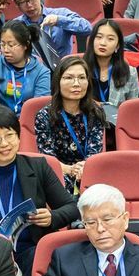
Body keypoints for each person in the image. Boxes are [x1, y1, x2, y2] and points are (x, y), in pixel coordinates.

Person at [0, 106, 78, 276]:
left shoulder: (39, 167)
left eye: (9, 135)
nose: (4, 144)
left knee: (37, 259)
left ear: (19, 137)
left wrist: (52, 217)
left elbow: (72, 208)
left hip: (30, 248)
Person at [35, 57, 107, 188]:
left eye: (81, 78)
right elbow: (48, 157)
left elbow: (95, 150)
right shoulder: (44, 115)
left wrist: (85, 167)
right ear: (58, 82)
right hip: (57, 173)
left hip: (89, 171)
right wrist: (71, 169)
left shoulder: (95, 112)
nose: (76, 83)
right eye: (69, 78)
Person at [10, 0, 93, 69]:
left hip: (63, 70)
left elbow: (88, 28)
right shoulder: (15, 26)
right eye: (22, 2)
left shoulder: (61, 14)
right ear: (16, 4)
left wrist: (59, 20)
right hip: (32, 72)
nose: (29, 5)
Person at [0, 19, 47, 113]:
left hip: (26, 120)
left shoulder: (41, 72)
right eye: (2, 45)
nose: (6, 50)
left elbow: (39, 107)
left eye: (11, 45)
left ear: (26, 45)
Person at [82, 18, 139, 117]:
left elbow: (133, 110)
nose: (103, 43)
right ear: (92, 41)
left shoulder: (130, 72)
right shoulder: (79, 69)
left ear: (117, 46)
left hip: (116, 126)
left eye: (110, 39)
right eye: (99, 37)